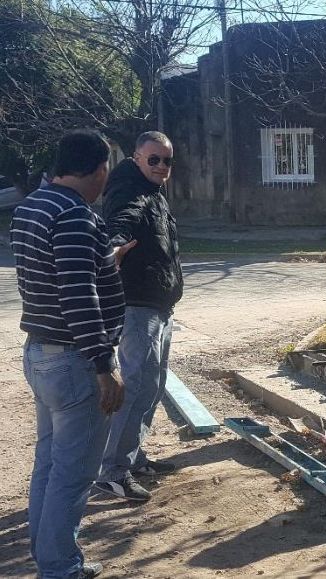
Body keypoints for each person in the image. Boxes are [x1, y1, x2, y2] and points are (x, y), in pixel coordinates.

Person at [10, 130, 126, 579]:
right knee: (73, 473)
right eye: (106, 173)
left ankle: (51, 558)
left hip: (41, 352)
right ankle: (60, 568)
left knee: (50, 462)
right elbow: (78, 296)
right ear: (100, 170)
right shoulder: (75, 216)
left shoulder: (33, 207)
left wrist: (102, 260)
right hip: (75, 361)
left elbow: (57, 277)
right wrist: (104, 365)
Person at [94, 131, 183, 502]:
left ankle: (133, 458)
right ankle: (113, 471)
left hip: (159, 305)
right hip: (137, 306)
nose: (162, 167)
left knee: (153, 385)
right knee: (134, 387)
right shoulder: (128, 189)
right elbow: (122, 220)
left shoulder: (154, 192)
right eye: (154, 159)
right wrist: (115, 243)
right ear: (135, 158)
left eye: (167, 161)